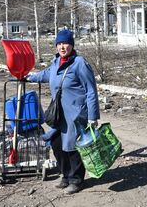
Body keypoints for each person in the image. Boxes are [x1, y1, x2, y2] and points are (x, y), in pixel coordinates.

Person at [27, 29, 99, 194]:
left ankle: (76, 180)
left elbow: (91, 90)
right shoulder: (56, 62)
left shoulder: (79, 63)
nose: (62, 46)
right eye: (59, 43)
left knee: (73, 147)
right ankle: (65, 175)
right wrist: (28, 76)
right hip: (59, 114)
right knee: (57, 144)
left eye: (65, 43)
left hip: (76, 114)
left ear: (71, 45)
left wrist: (93, 116)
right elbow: (46, 75)